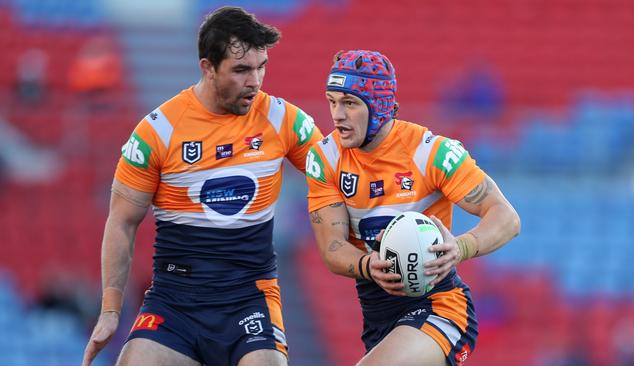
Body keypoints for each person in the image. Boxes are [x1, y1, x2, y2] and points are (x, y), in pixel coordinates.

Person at [82, 6, 322, 366]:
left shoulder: (281, 118)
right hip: (175, 302)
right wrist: (111, 309)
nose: (254, 81)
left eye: (261, 67)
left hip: (249, 298)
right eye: (241, 70)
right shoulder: (158, 131)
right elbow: (121, 221)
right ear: (208, 67)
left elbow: (337, 175)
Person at [306, 50, 520, 366]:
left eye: (349, 103)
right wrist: (368, 265)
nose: (337, 114)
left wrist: (460, 247)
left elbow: (506, 217)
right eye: (332, 101)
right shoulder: (325, 159)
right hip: (378, 319)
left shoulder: (430, 153)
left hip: (440, 307)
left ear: (377, 105)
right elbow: (333, 248)